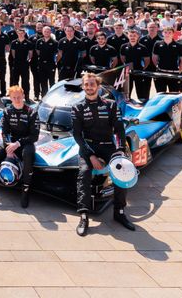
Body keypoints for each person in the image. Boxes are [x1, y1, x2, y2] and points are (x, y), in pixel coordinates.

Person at [71, 72, 134, 236]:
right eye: (86, 84)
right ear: (83, 86)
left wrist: (120, 150)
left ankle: (119, 212)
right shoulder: (77, 107)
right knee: (84, 173)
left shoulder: (111, 105)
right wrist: (91, 156)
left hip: (108, 147)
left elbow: (120, 130)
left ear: (98, 86)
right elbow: (77, 135)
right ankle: (84, 215)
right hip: (88, 148)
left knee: (122, 170)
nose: (89, 87)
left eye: (92, 84)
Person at [152, 27, 182, 92]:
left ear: (173, 34)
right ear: (162, 33)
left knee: (173, 95)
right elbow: (154, 57)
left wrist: (179, 71)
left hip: (174, 73)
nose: (167, 34)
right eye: (165, 32)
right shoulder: (157, 44)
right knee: (160, 94)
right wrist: (158, 67)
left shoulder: (179, 45)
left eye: (170, 32)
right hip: (161, 73)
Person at [120, 29, 150, 100]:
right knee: (127, 90)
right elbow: (122, 58)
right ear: (128, 36)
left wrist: (142, 68)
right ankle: (127, 102)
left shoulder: (142, 47)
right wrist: (127, 68)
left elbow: (147, 60)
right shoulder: (124, 46)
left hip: (139, 72)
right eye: (131, 36)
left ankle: (142, 103)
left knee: (140, 90)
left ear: (138, 36)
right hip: (128, 73)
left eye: (134, 36)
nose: (132, 37)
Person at [33, 25, 58, 97]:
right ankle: (44, 96)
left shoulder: (54, 42)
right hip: (41, 64)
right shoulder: (39, 41)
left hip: (51, 64)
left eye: (48, 31)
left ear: (50, 32)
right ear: (43, 32)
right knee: (43, 81)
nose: (46, 32)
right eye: (45, 31)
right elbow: (38, 51)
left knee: (52, 81)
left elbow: (57, 54)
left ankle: (52, 96)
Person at [8, 28, 33, 99]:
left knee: (25, 81)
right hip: (16, 64)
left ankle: (26, 96)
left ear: (24, 34)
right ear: (17, 34)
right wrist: (17, 60)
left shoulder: (28, 43)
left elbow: (30, 54)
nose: (20, 34)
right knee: (15, 81)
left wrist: (26, 61)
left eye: (22, 33)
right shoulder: (13, 42)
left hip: (25, 64)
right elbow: (13, 53)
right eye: (19, 33)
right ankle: (15, 96)